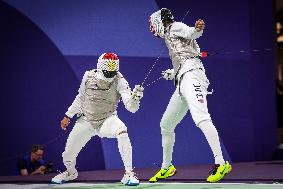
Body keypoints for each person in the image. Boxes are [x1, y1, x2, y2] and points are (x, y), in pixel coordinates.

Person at [148, 8, 232, 183]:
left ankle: (221, 162)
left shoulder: (174, 26)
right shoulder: (169, 36)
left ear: (159, 20)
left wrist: (197, 29)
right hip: (183, 79)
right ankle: (166, 167)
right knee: (166, 124)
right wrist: (173, 72)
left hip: (192, 76)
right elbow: (187, 54)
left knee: (201, 118)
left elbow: (191, 32)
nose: (152, 28)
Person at [51, 52, 144, 186]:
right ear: (100, 66)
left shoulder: (120, 80)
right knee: (67, 154)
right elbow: (80, 98)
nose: (110, 74)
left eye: (112, 70)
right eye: (108, 69)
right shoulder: (88, 76)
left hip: (107, 120)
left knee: (122, 131)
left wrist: (135, 98)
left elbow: (131, 108)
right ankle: (71, 172)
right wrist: (68, 115)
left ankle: (129, 173)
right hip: (86, 121)